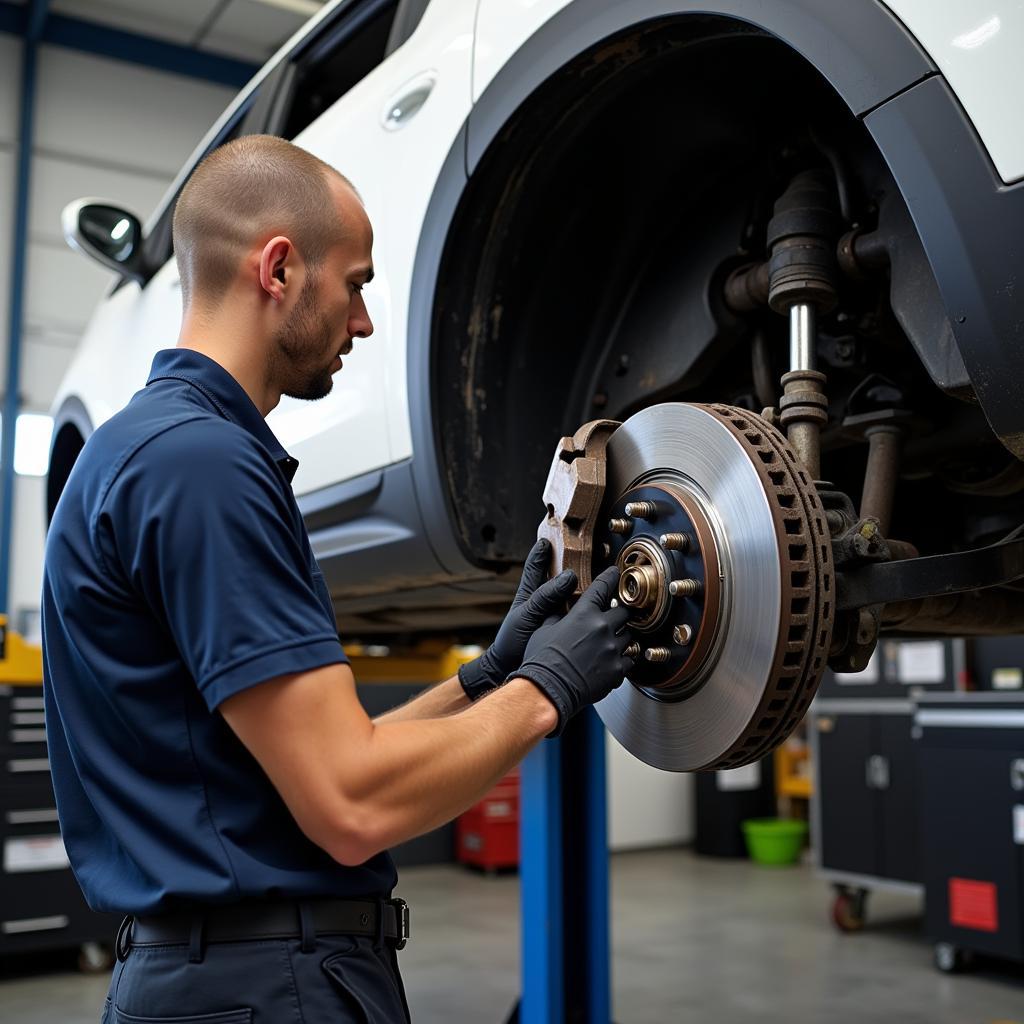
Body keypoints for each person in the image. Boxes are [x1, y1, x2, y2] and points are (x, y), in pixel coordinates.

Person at [42, 134, 636, 1022]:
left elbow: (326, 760)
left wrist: (488, 679)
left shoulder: (154, 449)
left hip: (230, 981)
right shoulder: (200, 466)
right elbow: (351, 802)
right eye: (356, 284)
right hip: (263, 987)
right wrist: (549, 690)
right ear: (278, 268)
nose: (362, 322)